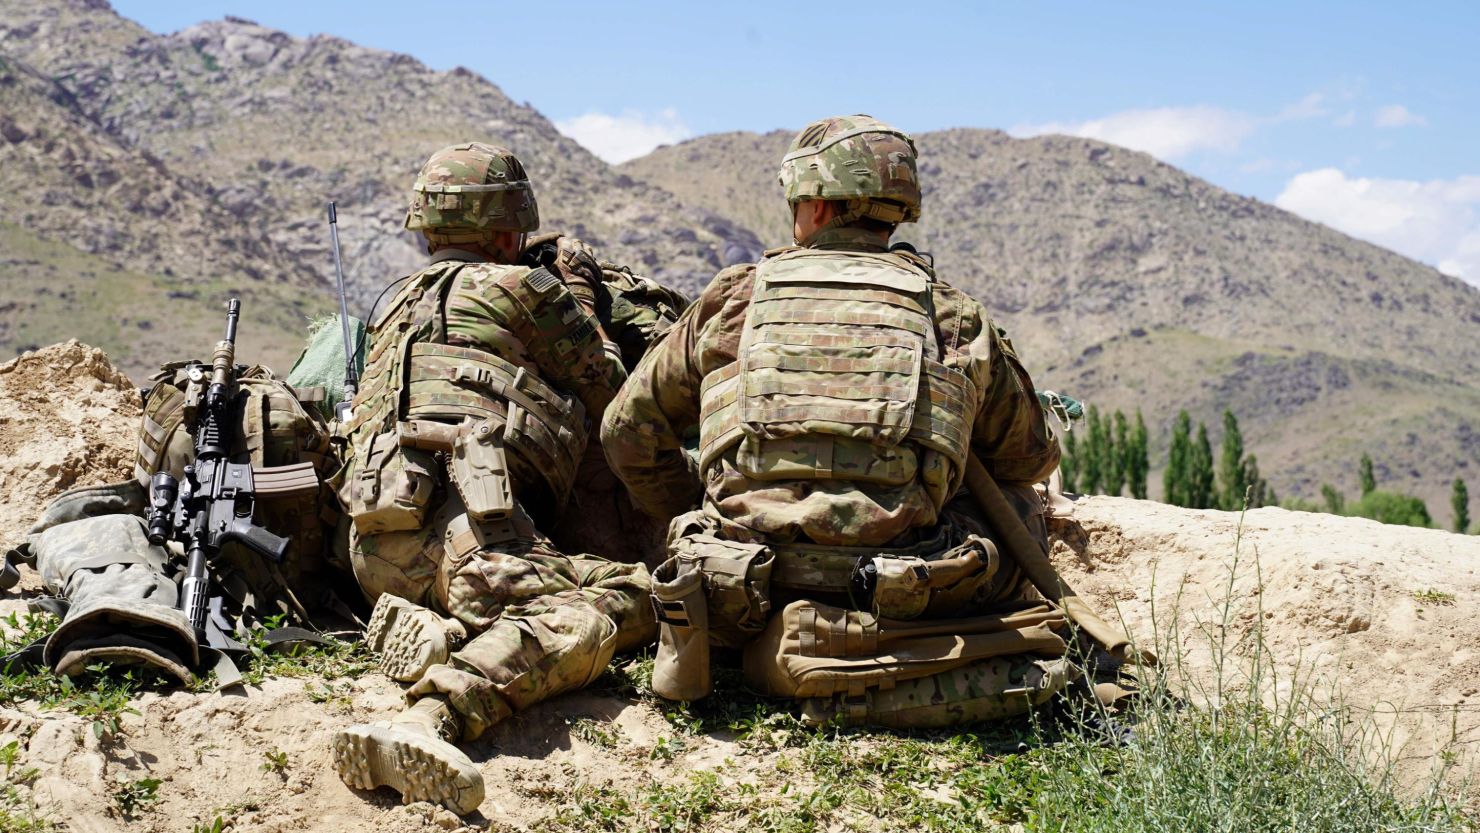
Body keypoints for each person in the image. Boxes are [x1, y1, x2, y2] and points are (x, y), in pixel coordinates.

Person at [601, 115, 1082, 728]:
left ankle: (774, 643)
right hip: (904, 588)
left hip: (737, 588)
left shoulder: (734, 299)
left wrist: (692, 503)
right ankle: (875, 651)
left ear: (818, 208)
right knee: (1014, 503)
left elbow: (626, 433)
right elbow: (1029, 459)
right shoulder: (951, 313)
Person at [330, 142, 655, 814]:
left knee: (552, 580)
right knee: (622, 600)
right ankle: (432, 715)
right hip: (473, 544)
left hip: (372, 552)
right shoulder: (524, 287)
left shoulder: (390, 309)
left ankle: (444, 630)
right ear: (511, 229)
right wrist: (580, 294)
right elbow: (615, 395)